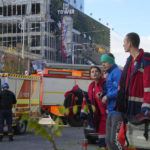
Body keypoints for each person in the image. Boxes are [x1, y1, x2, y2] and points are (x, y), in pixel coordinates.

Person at [116, 32, 150, 149]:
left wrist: (147, 106)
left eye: (124, 42)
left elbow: (148, 86)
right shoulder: (129, 61)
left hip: (141, 110)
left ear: (130, 43)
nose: (123, 45)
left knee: (139, 141)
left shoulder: (145, 60)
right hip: (129, 108)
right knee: (123, 137)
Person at [100, 53, 123, 150]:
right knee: (108, 140)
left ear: (111, 61)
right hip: (110, 110)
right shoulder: (109, 74)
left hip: (117, 111)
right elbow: (110, 89)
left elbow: (120, 90)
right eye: (102, 62)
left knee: (115, 140)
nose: (103, 64)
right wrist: (103, 94)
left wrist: (107, 96)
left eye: (105, 61)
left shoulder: (117, 72)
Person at [87, 66, 107, 148]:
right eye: (92, 72)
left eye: (96, 71)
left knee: (111, 139)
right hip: (100, 116)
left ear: (100, 73)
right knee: (101, 138)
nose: (94, 73)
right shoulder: (91, 86)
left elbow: (109, 91)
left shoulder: (104, 83)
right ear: (90, 75)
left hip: (108, 114)